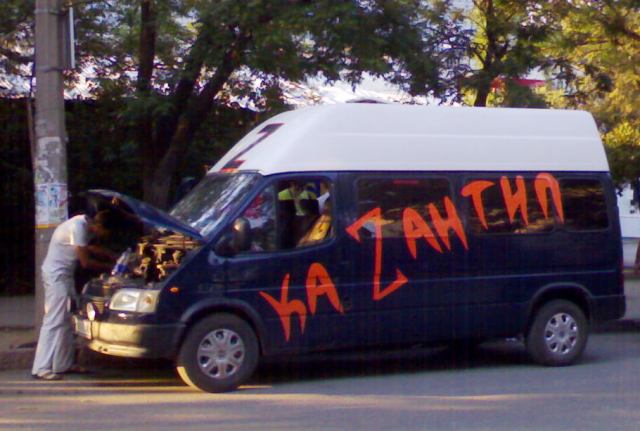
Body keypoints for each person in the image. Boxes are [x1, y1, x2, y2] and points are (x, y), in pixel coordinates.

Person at [31, 211, 117, 381]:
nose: (102, 236)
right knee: (54, 320)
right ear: (98, 226)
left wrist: (110, 255)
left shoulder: (83, 224)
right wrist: (111, 267)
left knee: (68, 320)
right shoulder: (78, 227)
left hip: (65, 276)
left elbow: (88, 248)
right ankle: (41, 368)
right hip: (57, 277)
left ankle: (63, 364)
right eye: (104, 232)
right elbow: (85, 262)